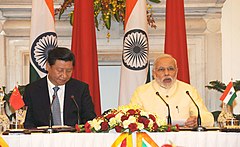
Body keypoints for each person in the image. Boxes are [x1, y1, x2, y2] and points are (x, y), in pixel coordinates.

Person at [129, 54, 214, 127]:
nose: (166, 73)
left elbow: (208, 118)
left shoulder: (188, 91)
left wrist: (198, 120)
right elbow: (132, 118)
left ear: (176, 71)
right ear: (154, 73)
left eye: (170, 69)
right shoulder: (141, 92)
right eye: (161, 69)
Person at [23, 47, 96, 129]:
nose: (64, 75)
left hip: (73, 139)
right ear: (48, 66)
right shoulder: (32, 90)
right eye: (60, 70)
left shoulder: (80, 89)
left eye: (68, 71)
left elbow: (90, 120)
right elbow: (28, 123)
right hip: (43, 139)